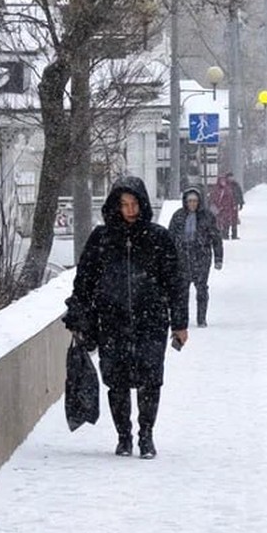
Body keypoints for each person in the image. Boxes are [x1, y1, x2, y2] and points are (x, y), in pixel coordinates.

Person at [63, 176, 188, 459]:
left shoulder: (158, 238)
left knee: (150, 381)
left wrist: (180, 324)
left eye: (134, 204)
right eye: (124, 205)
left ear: (142, 204)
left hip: (151, 321)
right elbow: (83, 281)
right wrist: (78, 317)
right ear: (115, 207)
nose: (130, 210)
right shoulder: (102, 239)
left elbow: (175, 283)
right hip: (112, 321)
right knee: (117, 382)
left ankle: (146, 435)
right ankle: (123, 437)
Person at [168, 187, 224, 328]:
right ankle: (183, 319)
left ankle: (201, 318)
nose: (192, 204)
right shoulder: (178, 216)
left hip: (201, 257)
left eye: (195, 201)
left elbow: (216, 238)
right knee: (182, 291)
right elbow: (169, 238)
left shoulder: (207, 216)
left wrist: (218, 258)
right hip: (182, 258)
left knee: (202, 289)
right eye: (189, 201)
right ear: (185, 202)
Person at [209, 173, 239, 239]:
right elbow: (213, 199)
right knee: (220, 222)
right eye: (221, 181)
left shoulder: (228, 189)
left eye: (223, 180)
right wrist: (218, 207)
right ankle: (222, 234)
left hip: (227, 209)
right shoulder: (216, 190)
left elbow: (232, 198)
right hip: (220, 209)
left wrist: (233, 205)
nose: (223, 182)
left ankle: (226, 234)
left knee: (227, 222)